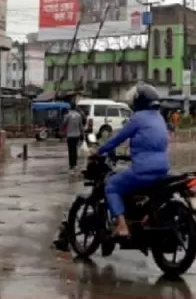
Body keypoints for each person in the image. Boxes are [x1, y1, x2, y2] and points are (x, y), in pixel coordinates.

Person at [92, 83, 169, 237]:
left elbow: (117, 139)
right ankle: (142, 219)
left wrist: (98, 151)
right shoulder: (160, 118)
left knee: (112, 186)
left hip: (143, 170)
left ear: (138, 101)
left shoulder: (138, 118)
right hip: (163, 169)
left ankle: (122, 226)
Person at [61, 101, 86, 173]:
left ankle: (71, 165)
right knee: (75, 149)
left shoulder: (67, 115)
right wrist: (83, 135)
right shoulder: (79, 115)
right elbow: (81, 126)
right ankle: (75, 164)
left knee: (70, 150)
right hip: (77, 135)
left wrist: (62, 129)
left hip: (70, 135)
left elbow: (64, 123)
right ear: (75, 107)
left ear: (70, 107)